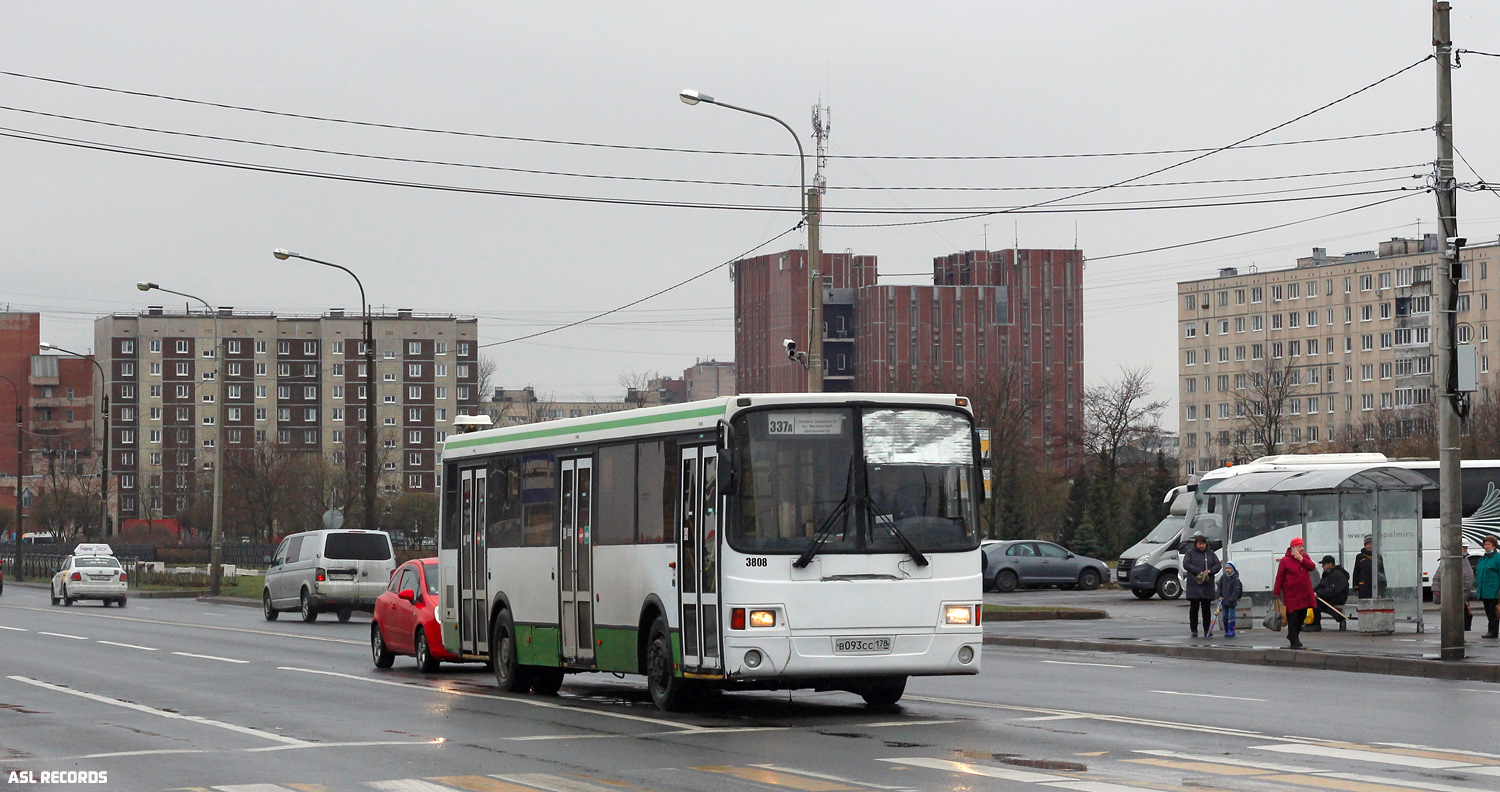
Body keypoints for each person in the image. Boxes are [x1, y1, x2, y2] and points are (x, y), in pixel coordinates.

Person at [1274, 537, 1317, 649]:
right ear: (1293, 548)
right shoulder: (1285, 560)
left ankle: (1293, 634)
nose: (1302, 548)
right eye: (1299, 546)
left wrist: (1301, 559)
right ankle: (1294, 638)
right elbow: (1280, 577)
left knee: (1302, 614)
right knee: (1293, 615)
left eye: (1302, 546)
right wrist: (1276, 592)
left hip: (1304, 592)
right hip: (1291, 593)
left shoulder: (1305, 557)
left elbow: (1312, 567)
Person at [1182, 532, 1222, 637]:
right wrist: (1198, 571)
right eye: (1200, 543)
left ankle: (1207, 630)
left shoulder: (1210, 553)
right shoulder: (1190, 553)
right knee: (1194, 609)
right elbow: (1186, 564)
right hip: (1194, 585)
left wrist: (1210, 571)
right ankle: (1194, 629)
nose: (1202, 545)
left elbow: (1218, 565)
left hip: (1207, 585)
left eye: (1203, 543)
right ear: (1196, 544)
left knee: (1206, 609)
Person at [1431, 542, 1475, 632]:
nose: (1465, 550)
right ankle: (1453, 634)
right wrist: (1436, 588)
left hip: (1460, 595)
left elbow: (1468, 578)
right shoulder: (1448, 559)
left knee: (1459, 615)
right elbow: (1438, 575)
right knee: (1452, 616)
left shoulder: (1465, 560)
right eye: (1463, 547)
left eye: (1466, 548)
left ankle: (1458, 634)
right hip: (1451, 593)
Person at [1312, 555, 1350, 631]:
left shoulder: (1338, 574)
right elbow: (1321, 585)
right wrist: (1312, 591)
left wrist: (1318, 593)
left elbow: (1334, 590)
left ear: (1330, 564)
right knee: (1311, 600)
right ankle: (1311, 623)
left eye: (1324, 564)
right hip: (1329, 596)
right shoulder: (1327, 574)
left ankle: (1315, 624)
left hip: (1338, 598)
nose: (1322, 566)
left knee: (1316, 602)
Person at [1477, 535, 1500, 640]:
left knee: (1493, 612)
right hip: (1485, 591)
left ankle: (1493, 632)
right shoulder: (1483, 559)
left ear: (1494, 546)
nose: (1486, 546)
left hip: (1494, 591)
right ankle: (1491, 631)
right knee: (1489, 612)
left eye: (1488, 545)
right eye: (1485, 544)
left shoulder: (1497, 558)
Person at [1352, 535, 1386, 600]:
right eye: (1368, 544)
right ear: (1365, 545)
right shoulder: (1360, 557)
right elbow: (1356, 571)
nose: (1370, 546)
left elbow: (1382, 572)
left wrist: (1383, 586)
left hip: (1376, 587)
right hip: (1364, 586)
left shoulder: (1378, 557)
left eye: (1371, 544)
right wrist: (1356, 586)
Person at [1217, 561, 1243, 638]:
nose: (1227, 570)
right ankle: (1226, 630)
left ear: (1233, 569)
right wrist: (1219, 595)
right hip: (1224, 601)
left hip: (1231, 602)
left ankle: (1232, 630)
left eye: (1229, 568)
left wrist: (1232, 598)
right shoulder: (1223, 578)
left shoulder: (1236, 579)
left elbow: (1237, 590)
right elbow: (1219, 587)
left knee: (1231, 616)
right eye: (1226, 568)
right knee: (1224, 616)